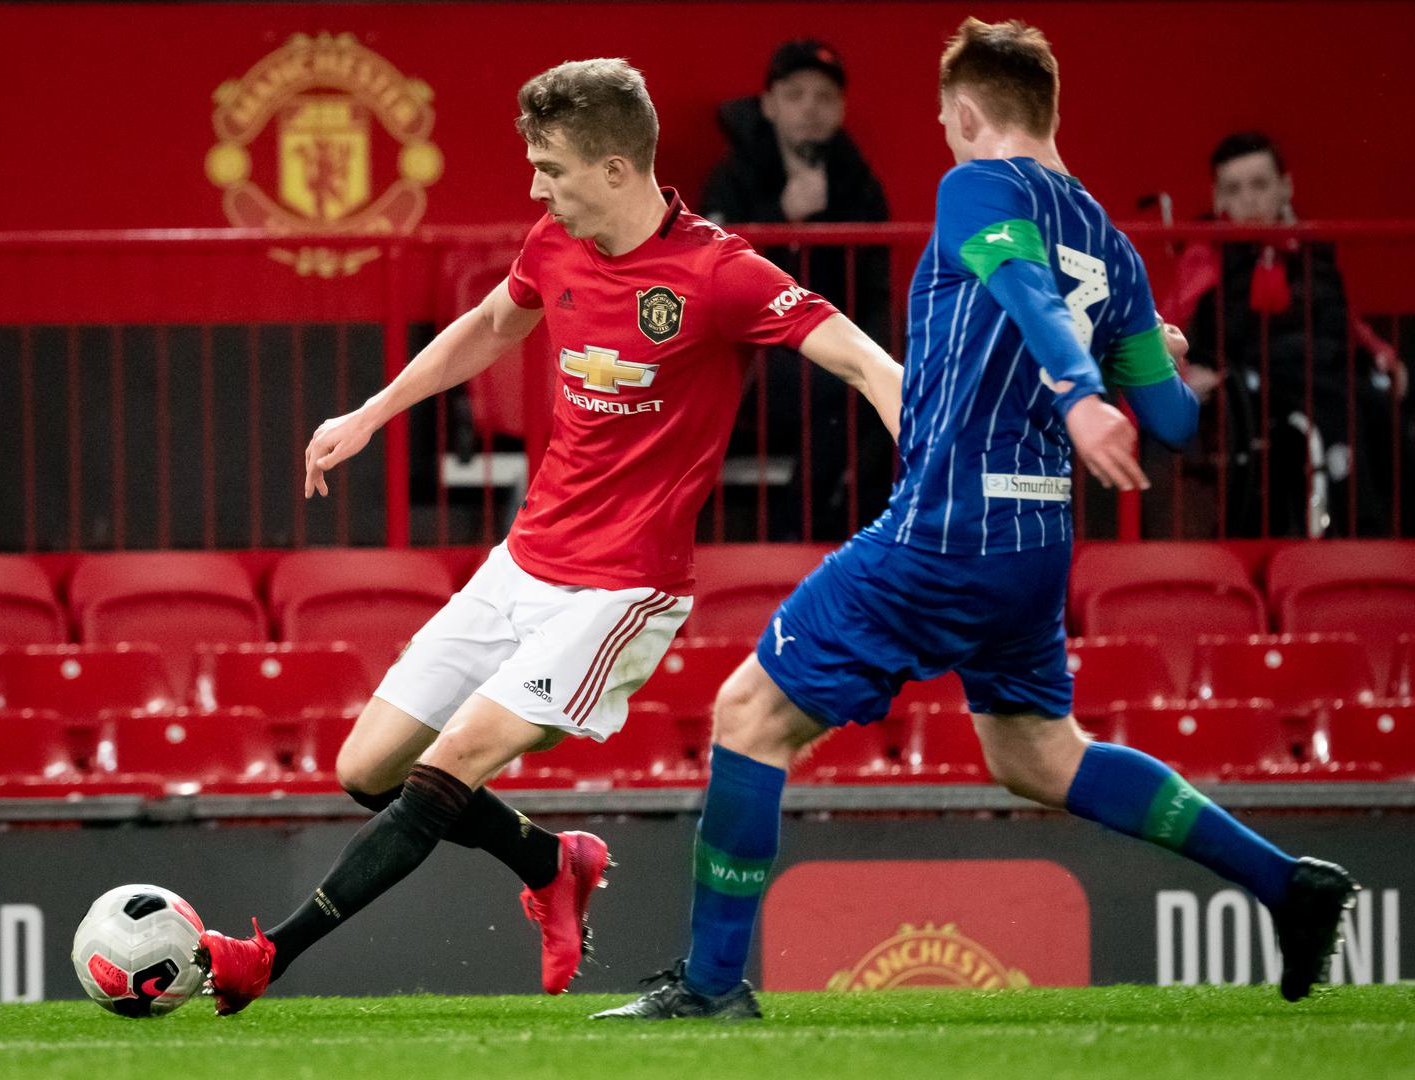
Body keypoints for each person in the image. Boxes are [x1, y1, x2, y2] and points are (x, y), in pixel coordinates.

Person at [595, 19, 1357, 1022]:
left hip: (949, 531)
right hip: (1037, 546)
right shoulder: (1114, 246)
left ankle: (710, 986)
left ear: (967, 117)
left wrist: (1082, 389)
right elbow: (1175, 419)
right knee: (1035, 756)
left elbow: (1021, 284)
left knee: (747, 716)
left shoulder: (977, 187)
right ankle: (1286, 884)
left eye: (948, 124)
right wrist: (1146, 356)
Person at [193, 58, 904, 1015]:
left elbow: (863, 361)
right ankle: (551, 860)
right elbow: (491, 324)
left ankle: (269, 957)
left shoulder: (719, 273)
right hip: (524, 562)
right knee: (367, 769)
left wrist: (931, 467)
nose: (537, 188)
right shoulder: (555, 242)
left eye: (552, 169)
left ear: (616, 169)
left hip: (624, 589)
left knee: (447, 767)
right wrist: (373, 411)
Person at [1162, 131, 1406, 537]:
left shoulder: (1315, 251)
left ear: (1285, 187)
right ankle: (1358, 531)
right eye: (1234, 189)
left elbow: (1348, 321)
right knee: (1333, 409)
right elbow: (1169, 325)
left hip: (1332, 372)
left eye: (1260, 185)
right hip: (1262, 384)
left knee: (1385, 409)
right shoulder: (1205, 257)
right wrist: (1186, 375)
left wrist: (1382, 354)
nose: (1249, 200)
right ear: (1218, 197)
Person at [702, 39, 894, 539]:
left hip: (833, 351)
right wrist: (781, 220)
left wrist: (879, 361)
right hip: (751, 362)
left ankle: (842, 539)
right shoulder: (732, 178)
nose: (810, 108)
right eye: (795, 95)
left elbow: (875, 292)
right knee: (845, 389)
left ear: (841, 109)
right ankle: (799, 537)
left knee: (885, 388)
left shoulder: (860, 184)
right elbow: (709, 277)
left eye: (825, 97)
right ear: (769, 105)